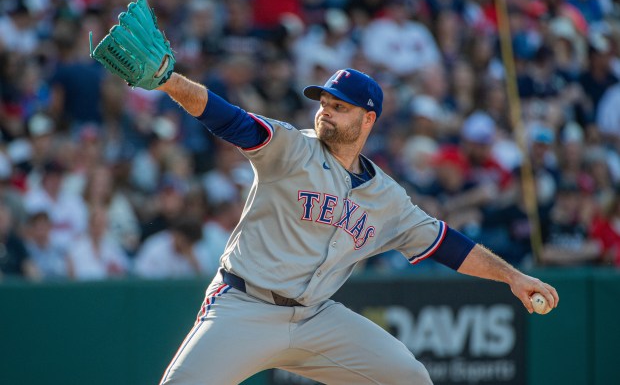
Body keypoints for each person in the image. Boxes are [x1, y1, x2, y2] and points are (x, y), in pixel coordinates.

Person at [147, 67, 559, 385]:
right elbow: (227, 118)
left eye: (340, 107)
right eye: (324, 103)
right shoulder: (291, 148)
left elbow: (445, 244)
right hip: (243, 307)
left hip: (315, 319)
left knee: (410, 378)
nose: (326, 111)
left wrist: (512, 276)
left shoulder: (387, 197)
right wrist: (169, 81)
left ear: (368, 119)